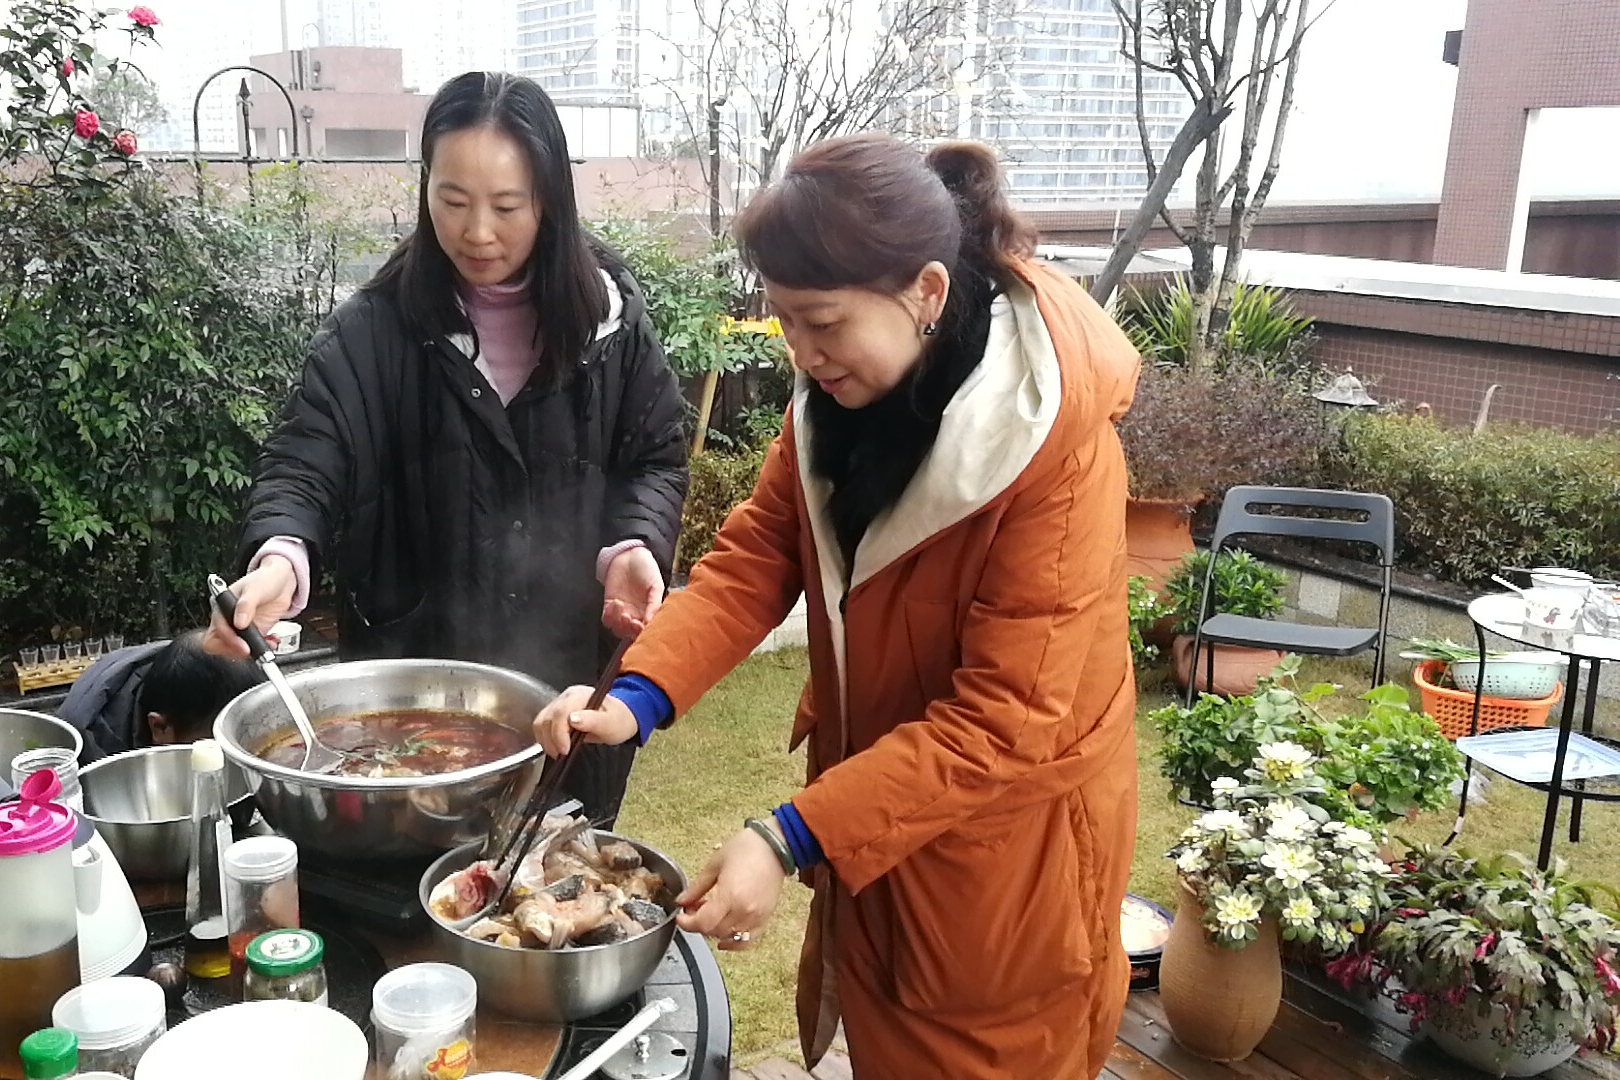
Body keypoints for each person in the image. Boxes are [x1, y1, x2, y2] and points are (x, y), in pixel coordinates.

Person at [532, 133, 1141, 1077]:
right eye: (784, 321)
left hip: (1010, 861)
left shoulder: (1050, 451)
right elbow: (752, 562)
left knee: (985, 1041)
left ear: (926, 292)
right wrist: (633, 697)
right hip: (881, 806)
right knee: (887, 1024)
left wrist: (788, 837)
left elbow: (1006, 720)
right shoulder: (832, 403)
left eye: (822, 322)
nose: (803, 353)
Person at [208, 72, 688, 826]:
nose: (477, 232)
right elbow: (306, 459)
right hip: (409, 688)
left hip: (567, 687)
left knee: (552, 878)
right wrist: (281, 557)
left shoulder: (610, 323)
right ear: (425, 185)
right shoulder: (374, 331)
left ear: (550, 201)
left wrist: (632, 545)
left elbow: (654, 456)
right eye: (453, 200)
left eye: (507, 206)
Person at [58, 630, 263, 762]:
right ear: (160, 727)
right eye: (222, 751)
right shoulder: (87, 750)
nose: (239, 759)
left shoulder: (185, 669)